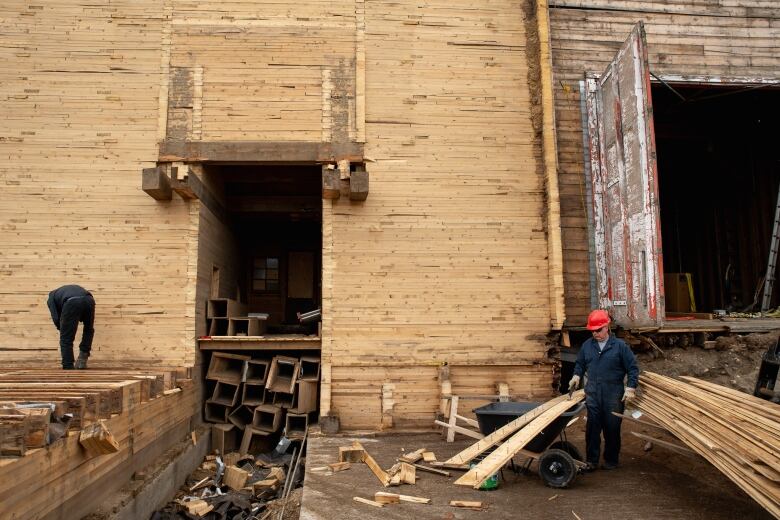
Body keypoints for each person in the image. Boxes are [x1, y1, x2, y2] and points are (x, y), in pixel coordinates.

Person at [568, 309, 638, 471]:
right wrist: (576, 376)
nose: (595, 334)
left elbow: (633, 368)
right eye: (592, 331)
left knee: (612, 428)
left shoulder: (620, 346)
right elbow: (580, 364)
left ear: (607, 327)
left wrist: (631, 388)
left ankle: (611, 460)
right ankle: (592, 461)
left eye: (598, 330)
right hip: (592, 392)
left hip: (613, 393)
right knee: (592, 429)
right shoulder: (587, 346)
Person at [47, 285, 95, 370]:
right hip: (89, 299)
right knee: (88, 329)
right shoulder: (63, 291)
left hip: (72, 302)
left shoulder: (51, 298)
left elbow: (55, 317)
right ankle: (82, 358)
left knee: (65, 338)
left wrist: (62, 328)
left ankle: (68, 365)